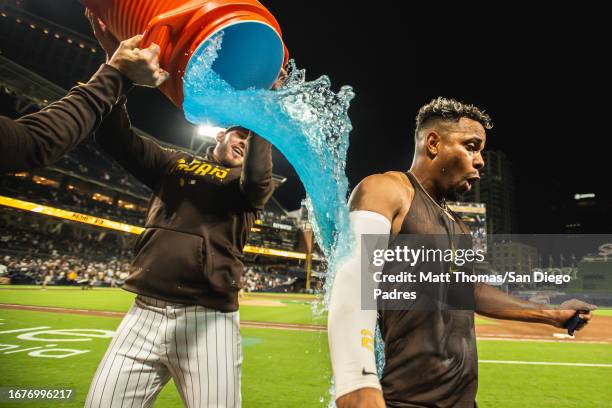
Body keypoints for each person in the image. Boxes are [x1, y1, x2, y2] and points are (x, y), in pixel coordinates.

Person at [327, 97, 596, 408]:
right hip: (404, 401)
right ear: (433, 143)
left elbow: (470, 291)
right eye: (471, 146)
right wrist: (356, 384)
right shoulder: (386, 191)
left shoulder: (460, 227)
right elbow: (355, 276)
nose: (479, 160)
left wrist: (552, 315)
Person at [84, 16, 280, 408]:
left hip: (208, 321)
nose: (243, 139)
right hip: (144, 313)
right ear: (220, 134)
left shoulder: (250, 188)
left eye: (250, 134)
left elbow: (259, 176)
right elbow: (113, 136)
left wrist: (264, 116)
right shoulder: (173, 163)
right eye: (238, 132)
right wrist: (113, 65)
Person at [0, 10, 168, 174]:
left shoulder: (178, 165)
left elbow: (32, 144)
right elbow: (33, 144)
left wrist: (116, 68)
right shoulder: (178, 165)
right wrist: (117, 71)